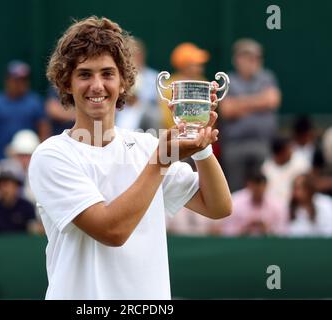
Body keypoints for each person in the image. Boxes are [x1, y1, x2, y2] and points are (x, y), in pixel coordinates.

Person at [29, 16, 231, 300]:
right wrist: (160, 162)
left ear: (124, 82)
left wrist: (201, 147)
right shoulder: (51, 155)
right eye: (85, 74)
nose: (97, 85)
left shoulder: (147, 146)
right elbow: (112, 231)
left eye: (108, 74)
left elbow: (218, 206)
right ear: (66, 84)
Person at [219, 38, 282, 192]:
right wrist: (260, 102)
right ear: (237, 60)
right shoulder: (229, 80)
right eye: (247, 58)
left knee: (263, 190)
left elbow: (272, 100)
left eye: (256, 58)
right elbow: (227, 110)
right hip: (234, 146)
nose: (252, 62)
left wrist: (239, 104)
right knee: (235, 192)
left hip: (263, 144)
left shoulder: (267, 77)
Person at [0, 60, 50, 162]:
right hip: (0, 160)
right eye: (16, 80)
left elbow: (44, 131)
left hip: (28, 162)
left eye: (23, 80)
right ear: (7, 80)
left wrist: (41, 158)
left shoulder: (35, 102)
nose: (19, 84)